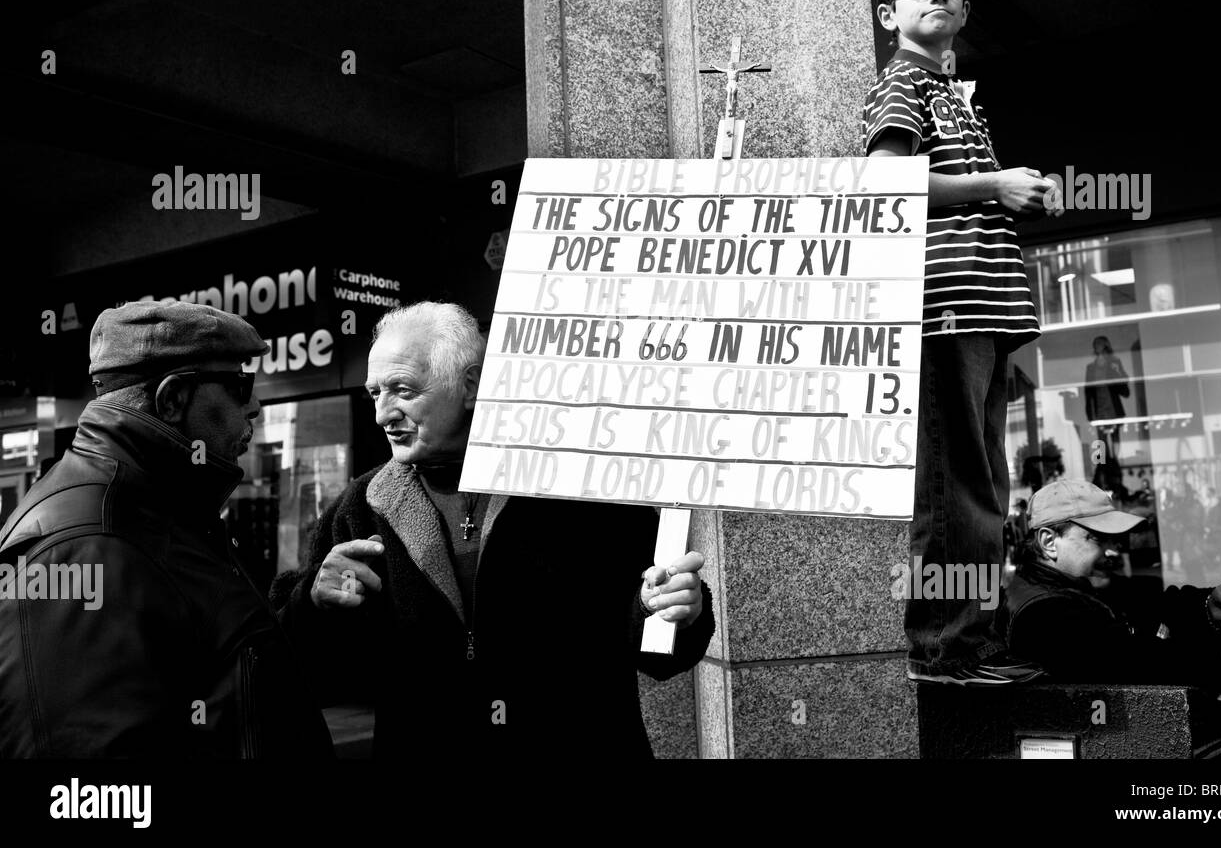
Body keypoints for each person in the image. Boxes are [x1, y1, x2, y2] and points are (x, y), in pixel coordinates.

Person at [273, 302, 715, 758]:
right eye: (374, 393)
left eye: (402, 390)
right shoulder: (360, 509)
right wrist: (313, 603)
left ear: (470, 386)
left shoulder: (582, 489)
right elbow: (309, 671)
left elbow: (663, 657)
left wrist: (667, 609)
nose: (383, 414)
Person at [0, 301, 332, 757]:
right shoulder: (86, 544)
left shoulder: (160, 506)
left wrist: (308, 611)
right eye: (240, 385)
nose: (255, 406)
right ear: (172, 399)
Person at [861, 0, 1060, 684]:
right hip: (942, 313)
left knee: (978, 489)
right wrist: (996, 185)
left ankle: (968, 643)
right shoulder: (902, 84)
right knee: (954, 491)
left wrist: (1006, 192)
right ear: (888, 15)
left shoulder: (949, 94)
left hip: (978, 314)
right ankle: (946, 648)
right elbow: (883, 182)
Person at [1002, 478, 1221, 685]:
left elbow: (1152, 601)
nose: (1113, 551)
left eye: (1115, 539)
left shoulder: (1080, 585)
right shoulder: (1046, 614)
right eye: (1098, 538)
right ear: (1049, 542)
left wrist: (1207, 603)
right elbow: (1146, 667)